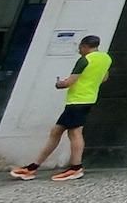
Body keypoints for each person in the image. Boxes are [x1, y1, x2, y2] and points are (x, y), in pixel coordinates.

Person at [10, 35, 110, 182]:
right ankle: (33, 167)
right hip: (88, 99)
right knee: (56, 132)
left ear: (84, 46)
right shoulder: (106, 59)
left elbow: (69, 82)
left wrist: (59, 84)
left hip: (77, 101)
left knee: (75, 133)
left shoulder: (84, 60)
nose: (79, 50)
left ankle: (76, 168)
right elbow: (104, 78)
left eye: (80, 47)